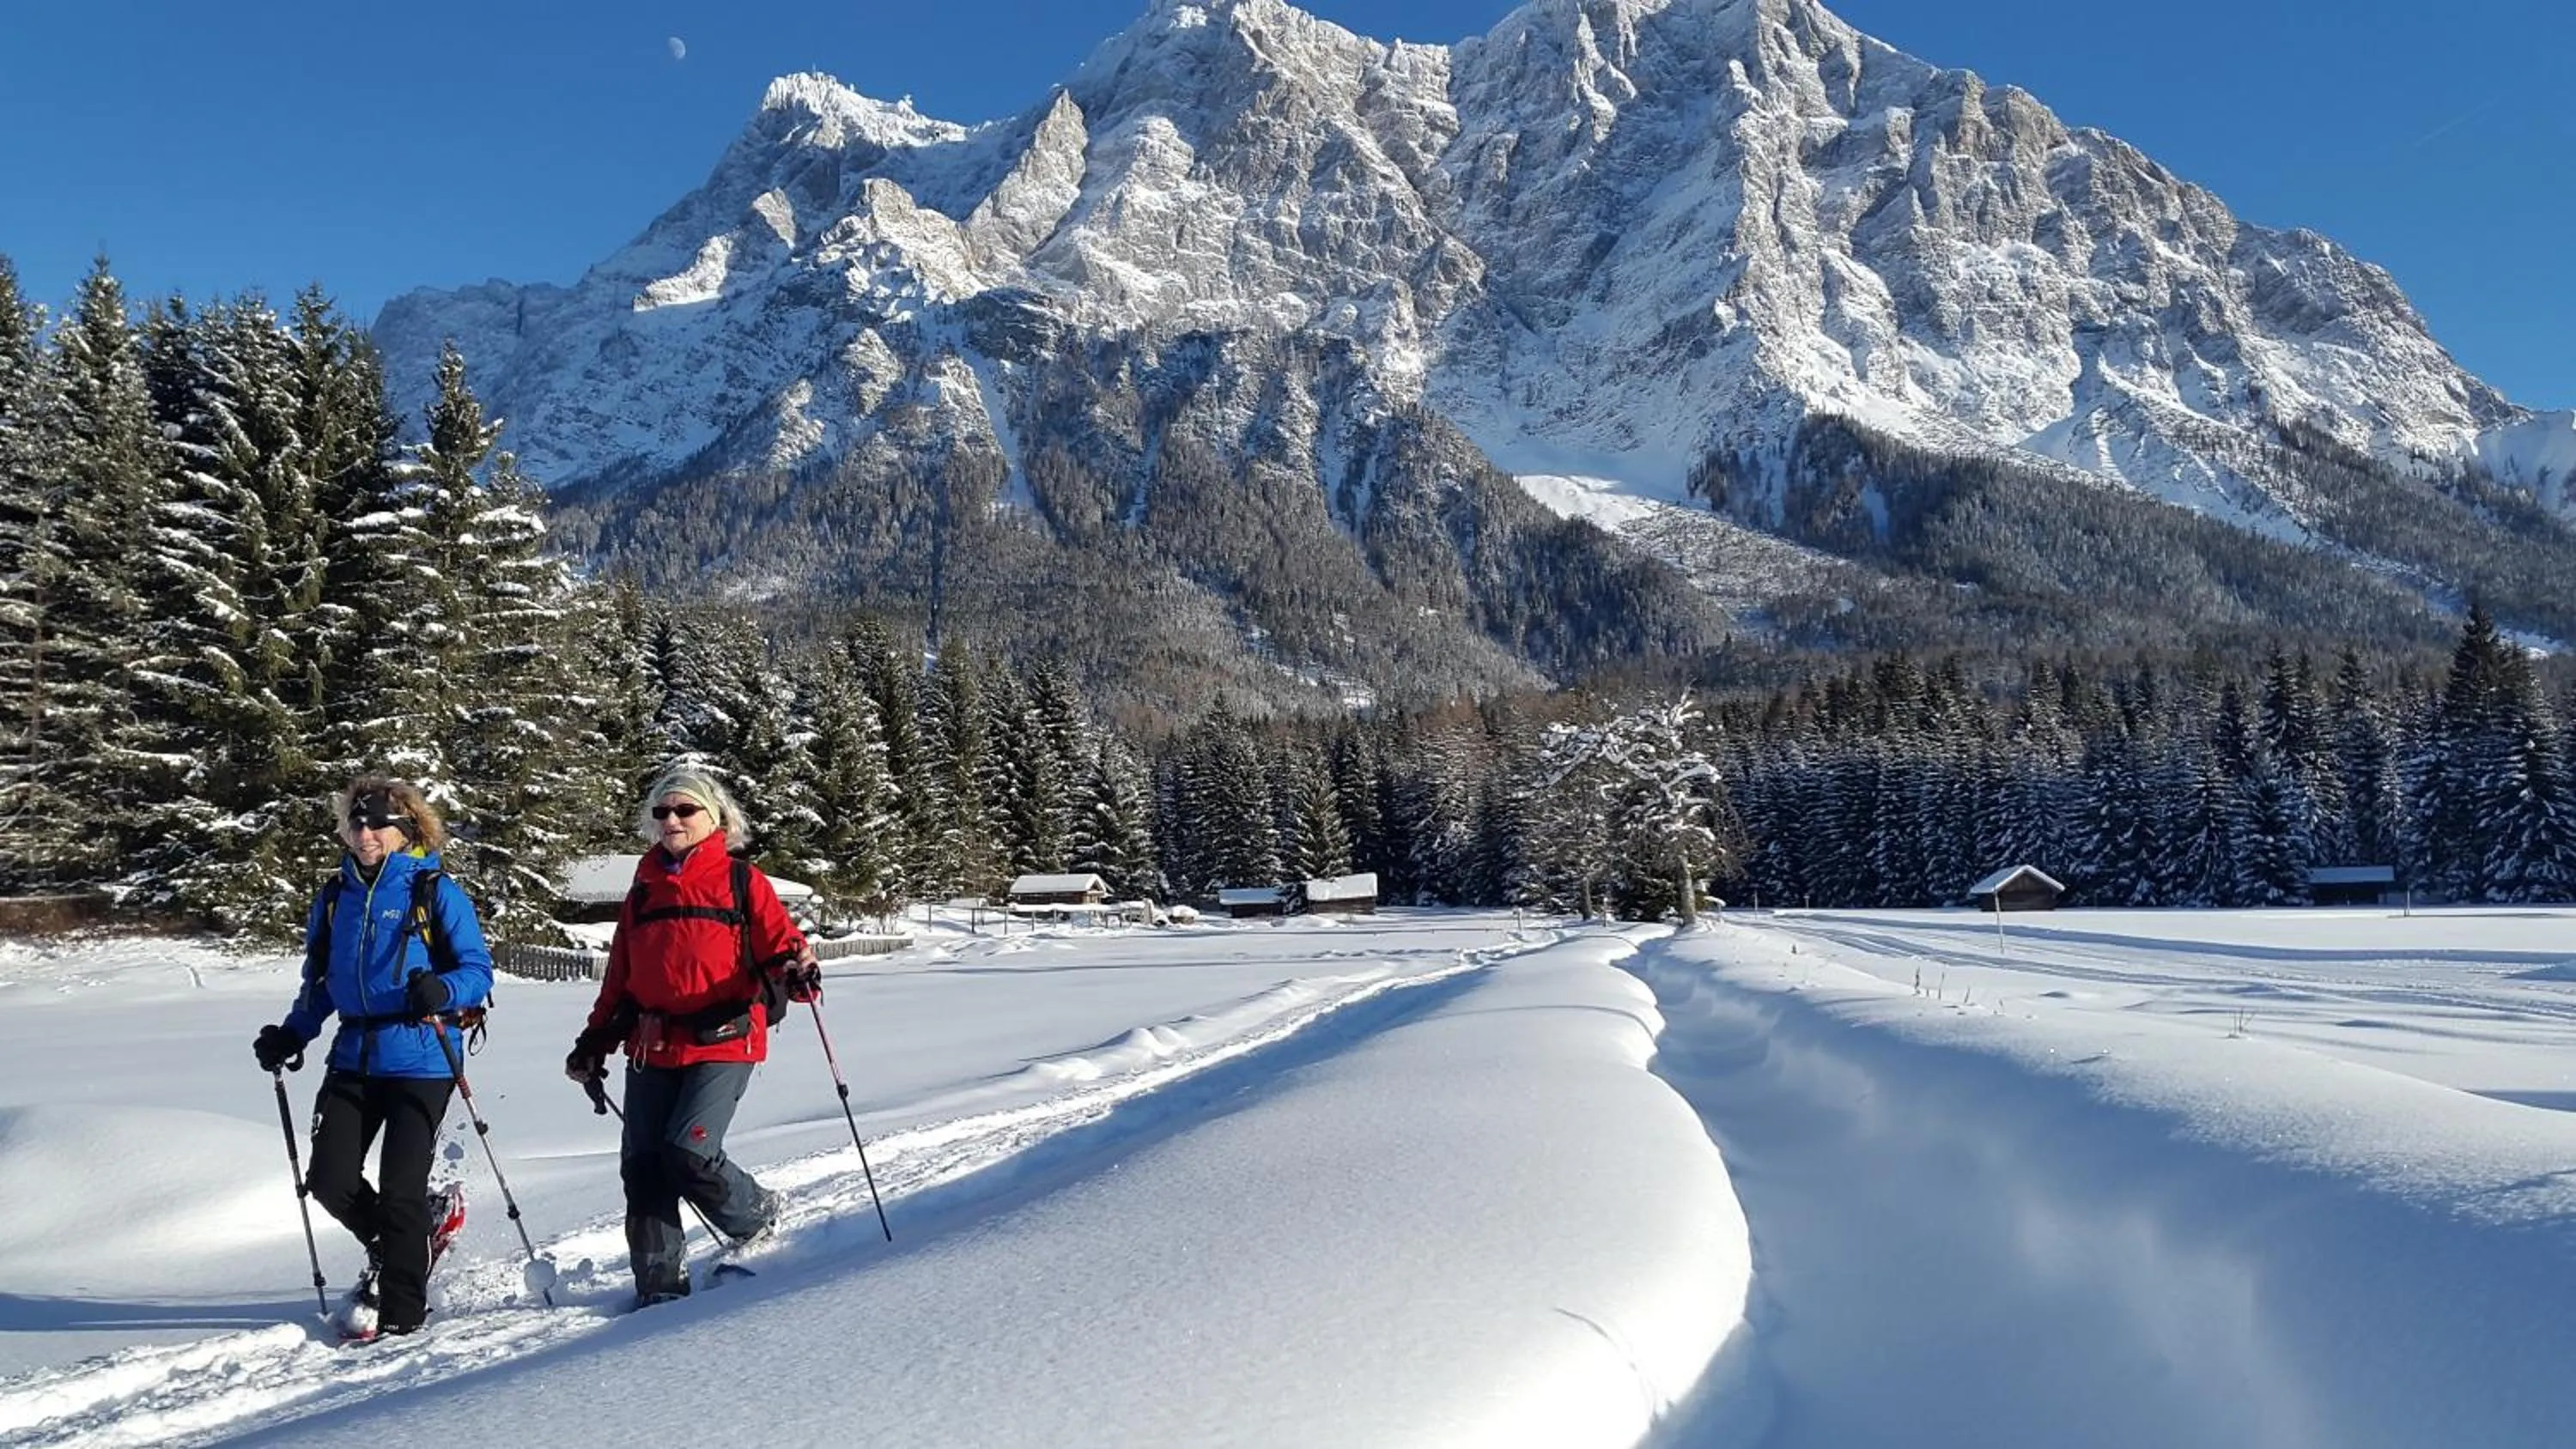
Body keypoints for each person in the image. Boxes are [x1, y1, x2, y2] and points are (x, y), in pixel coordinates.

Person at [565, 767, 821, 1307]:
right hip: (652, 1044)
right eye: (662, 812)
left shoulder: (740, 880)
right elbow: (621, 979)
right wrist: (594, 1041)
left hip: (725, 1038)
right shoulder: (642, 891)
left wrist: (798, 967)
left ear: (716, 820)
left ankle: (757, 1216)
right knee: (643, 1166)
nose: (672, 820)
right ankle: (659, 1292)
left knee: (688, 1152)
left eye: (685, 810)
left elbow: (782, 943)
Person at [253, 774, 494, 1340]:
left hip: (422, 1058)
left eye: (377, 822)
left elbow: (476, 970)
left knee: (401, 1188)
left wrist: (443, 989)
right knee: (329, 1179)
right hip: (355, 1056)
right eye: (355, 822)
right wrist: (293, 1034)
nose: (364, 833)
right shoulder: (336, 897)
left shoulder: (432, 890)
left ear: (405, 828)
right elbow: (320, 982)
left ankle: (403, 1320)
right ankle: (399, 1244)